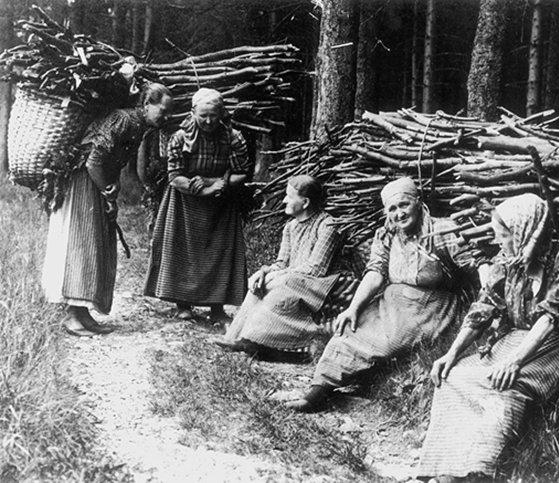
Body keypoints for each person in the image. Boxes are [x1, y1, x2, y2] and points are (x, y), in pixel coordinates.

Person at [417, 193, 559, 481]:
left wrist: (514, 361)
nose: (498, 242)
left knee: (502, 384)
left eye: (503, 235)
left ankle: (479, 469)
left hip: (556, 343)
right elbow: (482, 309)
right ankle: (447, 467)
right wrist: (452, 353)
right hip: (517, 338)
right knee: (454, 376)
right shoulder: (508, 262)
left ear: (523, 232)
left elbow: (550, 318)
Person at [286, 177, 479, 412]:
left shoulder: (441, 230)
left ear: (418, 202)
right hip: (392, 301)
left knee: (387, 341)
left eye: (404, 205)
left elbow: (475, 266)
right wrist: (353, 308)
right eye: (392, 209)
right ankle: (318, 391)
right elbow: (375, 273)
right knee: (349, 329)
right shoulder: (387, 234)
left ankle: (358, 379)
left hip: (429, 305)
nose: (399, 214)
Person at [42, 82, 174, 336]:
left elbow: (112, 160)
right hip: (83, 179)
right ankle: (71, 316)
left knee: (96, 243)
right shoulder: (123, 119)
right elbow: (93, 161)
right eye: (163, 110)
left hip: (95, 180)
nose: (166, 117)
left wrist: (112, 187)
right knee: (82, 242)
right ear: (147, 104)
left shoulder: (139, 126)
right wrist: (107, 190)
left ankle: (83, 313)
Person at [144, 88, 251, 323]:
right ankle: (183, 304)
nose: (209, 121)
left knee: (219, 255)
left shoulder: (233, 137)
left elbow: (242, 172)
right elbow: (175, 177)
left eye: (214, 115)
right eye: (203, 116)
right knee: (182, 253)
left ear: (222, 114)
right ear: (193, 113)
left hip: (221, 204)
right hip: (185, 201)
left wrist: (216, 184)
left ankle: (217, 308)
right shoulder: (180, 137)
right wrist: (205, 189)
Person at [219, 175, 344, 361]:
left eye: (289, 196)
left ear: (305, 202)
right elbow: (281, 263)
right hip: (291, 279)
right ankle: (238, 336)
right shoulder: (290, 227)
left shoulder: (327, 225)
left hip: (318, 284)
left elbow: (317, 268)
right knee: (258, 284)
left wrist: (277, 276)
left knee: (279, 286)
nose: (284, 200)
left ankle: (260, 341)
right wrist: (264, 272)